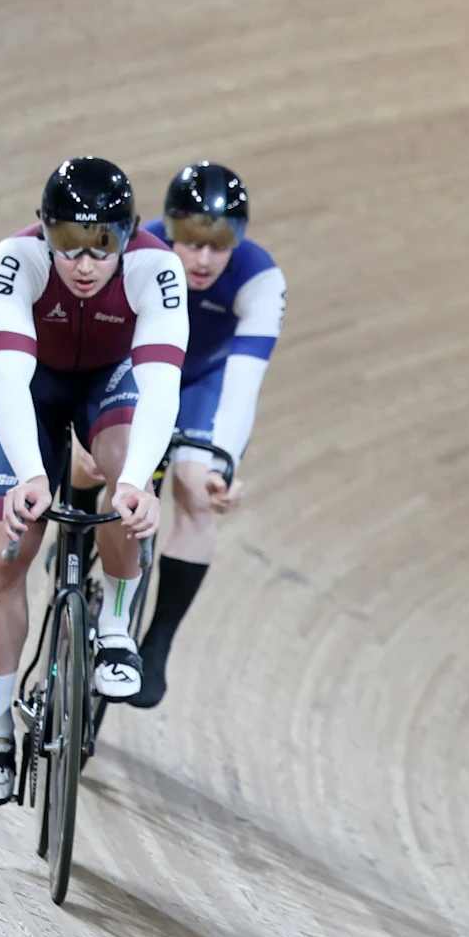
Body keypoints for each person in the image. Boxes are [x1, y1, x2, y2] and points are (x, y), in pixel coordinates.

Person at [0, 156, 187, 803]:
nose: (84, 264)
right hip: (35, 389)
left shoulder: (157, 267)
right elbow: (7, 376)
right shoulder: (16, 259)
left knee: (123, 474)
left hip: (111, 385)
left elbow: (161, 383)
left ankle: (115, 628)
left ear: (130, 235)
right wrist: (33, 475)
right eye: (68, 243)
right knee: (8, 550)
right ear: (44, 233)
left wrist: (138, 482)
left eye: (102, 245)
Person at [106, 160, 283, 708]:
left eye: (220, 242)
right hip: (135, 363)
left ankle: (155, 643)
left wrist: (221, 463)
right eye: (190, 240)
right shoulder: (137, 249)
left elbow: (243, 381)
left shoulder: (259, 277)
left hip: (203, 381)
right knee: (106, 458)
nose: (203, 258)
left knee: (193, 487)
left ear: (241, 238)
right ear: (167, 227)